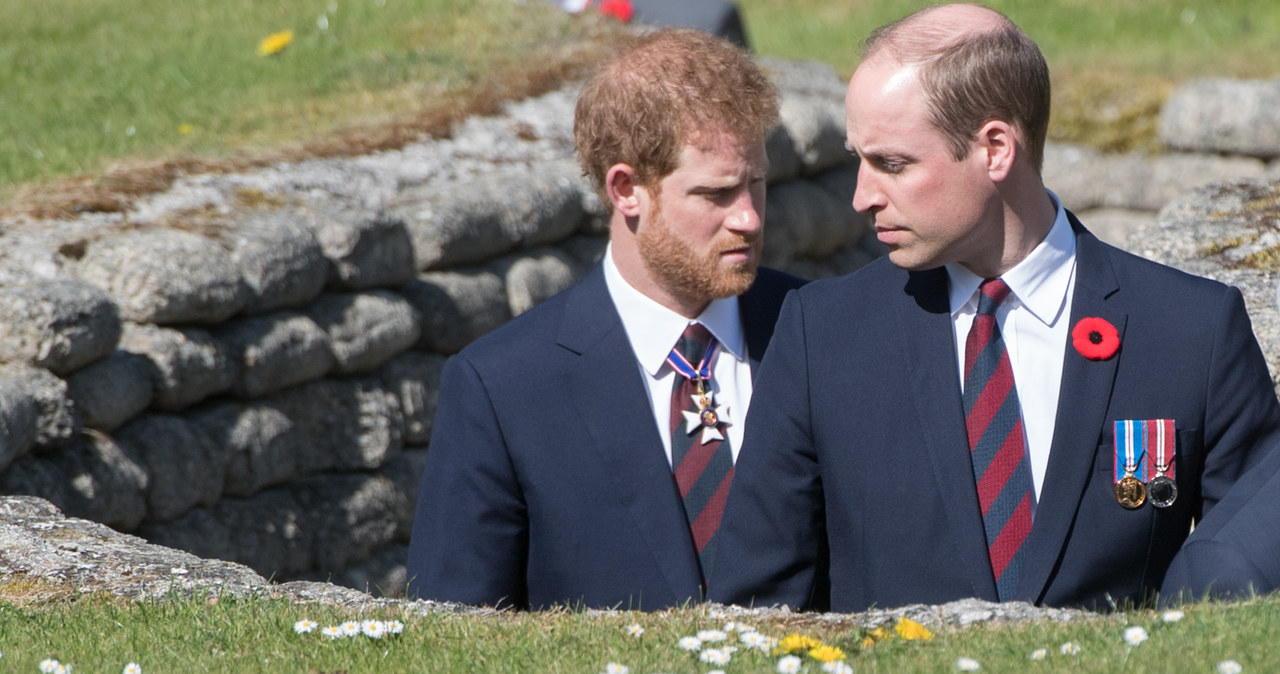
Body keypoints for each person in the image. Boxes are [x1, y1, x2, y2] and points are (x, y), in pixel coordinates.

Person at [709, 3, 1280, 612]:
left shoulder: (1191, 329)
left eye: (892, 164)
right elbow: (754, 609)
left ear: (996, 149)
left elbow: (1244, 588)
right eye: (859, 159)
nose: (861, 198)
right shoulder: (822, 335)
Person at [405, 28, 802, 610]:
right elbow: (451, 633)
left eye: (757, 184)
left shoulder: (816, 331)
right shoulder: (504, 388)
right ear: (627, 190)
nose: (747, 217)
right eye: (716, 194)